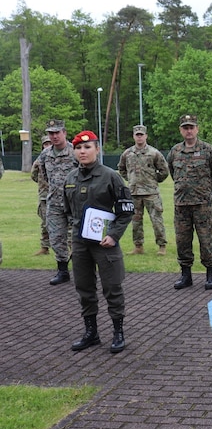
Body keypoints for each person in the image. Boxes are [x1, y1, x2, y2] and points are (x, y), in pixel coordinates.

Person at [63, 131, 134, 353]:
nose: (82, 152)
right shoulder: (70, 178)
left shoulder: (110, 176)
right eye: (78, 148)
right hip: (80, 242)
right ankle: (91, 333)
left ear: (97, 149)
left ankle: (118, 332)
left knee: (112, 287)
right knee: (84, 287)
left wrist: (113, 235)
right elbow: (67, 212)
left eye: (87, 147)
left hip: (105, 242)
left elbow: (126, 210)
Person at [167, 114, 212, 290]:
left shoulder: (208, 150)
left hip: (202, 204)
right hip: (181, 204)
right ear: (181, 130)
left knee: (206, 240)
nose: (189, 130)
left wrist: (206, 189)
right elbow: (172, 172)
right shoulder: (175, 151)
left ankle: (210, 274)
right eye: (185, 127)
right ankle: (186, 275)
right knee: (182, 241)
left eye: (191, 127)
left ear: (197, 129)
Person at [117, 124, 169, 256]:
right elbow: (121, 169)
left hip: (151, 192)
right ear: (134, 136)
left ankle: (162, 246)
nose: (139, 137)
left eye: (141, 134)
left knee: (156, 220)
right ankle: (138, 246)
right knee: (136, 222)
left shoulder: (154, 153)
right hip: (134, 193)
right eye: (137, 135)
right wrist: (130, 179)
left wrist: (153, 180)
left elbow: (164, 170)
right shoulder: (127, 153)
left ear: (146, 136)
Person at [40, 118, 78, 285]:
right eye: (51, 133)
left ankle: (85, 270)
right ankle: (62, 271)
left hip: (75, 202)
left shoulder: (76, 151)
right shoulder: (45, 155)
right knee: (56, 238)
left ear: (64, 133)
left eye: (57, 132)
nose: (54, 136)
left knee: (80, 238)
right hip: (54, 202)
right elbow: (44, 175)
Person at [31, 135, 52, 256]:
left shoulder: (62, 157)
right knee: (45, 222)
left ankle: (70, 247)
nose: (48, 146)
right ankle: (45, 247)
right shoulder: (39, 160)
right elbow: (33, 175)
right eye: (45, 144)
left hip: (60, 194)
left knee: (67, 221)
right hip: (44, 195)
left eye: (49, 143)